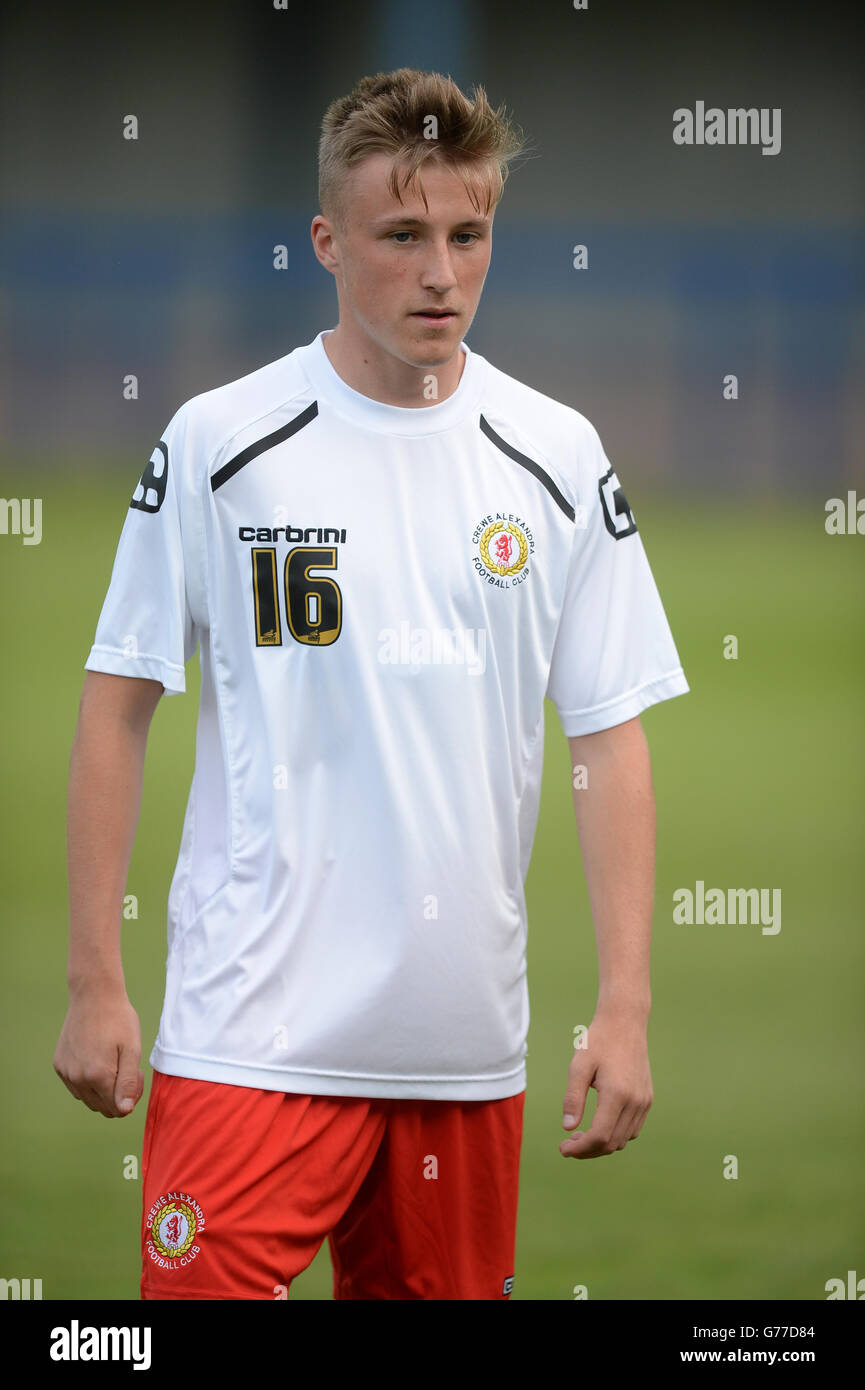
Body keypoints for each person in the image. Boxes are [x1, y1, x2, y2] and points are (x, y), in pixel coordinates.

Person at [54, 66, 689, 1301]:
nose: (440, 273)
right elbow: (117, 704)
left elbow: (609, 738)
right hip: (247, 1039)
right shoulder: (217, 443)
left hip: (460, 1055)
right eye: (402, 236)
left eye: (468, 234)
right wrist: (94, 979)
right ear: (328, 242)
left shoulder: (558, 459)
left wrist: (624, 1008)